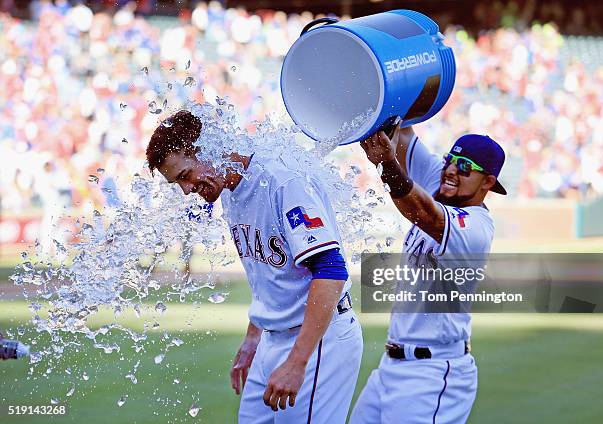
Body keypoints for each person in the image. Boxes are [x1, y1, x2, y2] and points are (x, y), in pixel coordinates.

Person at [145, 110, 363, 423]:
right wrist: (252, 339)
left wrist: (297, 362)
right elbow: (269, 277)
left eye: (185, 175)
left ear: (207, 150)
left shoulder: (281, 182)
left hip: (318, 342)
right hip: (273, 339)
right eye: (177, 183)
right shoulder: (229, 190)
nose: (186, 189)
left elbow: (331, 271)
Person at [350, 121, 506, 423]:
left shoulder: (475, 227)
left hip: (432, 375)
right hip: (391, 365)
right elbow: (403, 130)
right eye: (450, 160)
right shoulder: (446, 184)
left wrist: (386, 161)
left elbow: (421, 211)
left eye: (464, 167)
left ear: (487, 182)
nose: (451, 170)